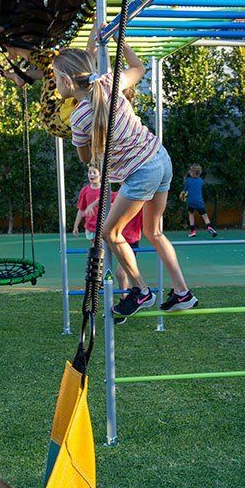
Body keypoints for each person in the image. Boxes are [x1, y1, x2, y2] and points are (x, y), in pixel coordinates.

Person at [52, 36, 198, 321]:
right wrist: (123, 42)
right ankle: (182, 293)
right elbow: (138, 68)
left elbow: (85, 159)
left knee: (110, 233)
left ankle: (141, 291)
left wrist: (97, 144)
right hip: (160, 157)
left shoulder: (79, 118)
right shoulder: (109, 83)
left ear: (68, 82)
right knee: (153, 231)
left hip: (141, 172)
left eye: (56, 78)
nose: (55, 84)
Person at [181, 163, 217, 238]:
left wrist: (181, 197)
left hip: (190, 201)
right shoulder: (201, 181)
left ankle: (192, 231)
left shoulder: (188, 180)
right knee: (205, 216)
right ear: (200, 172)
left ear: (191, 171)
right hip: (199, 201)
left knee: (191, 214)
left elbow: (183, 192)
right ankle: (209, 227)